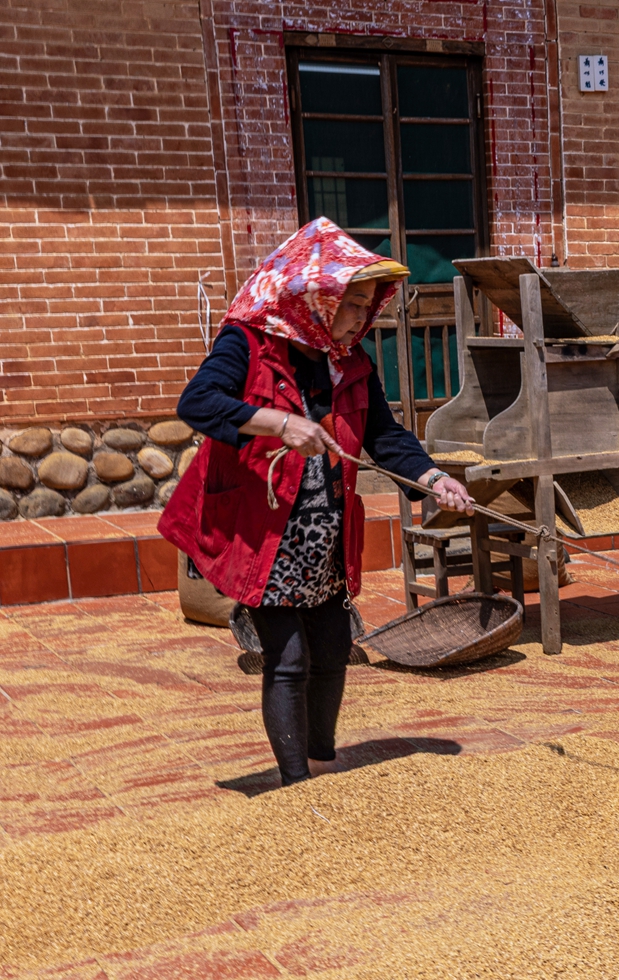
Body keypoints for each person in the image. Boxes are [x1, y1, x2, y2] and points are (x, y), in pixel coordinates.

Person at [160, 219, 474, 787]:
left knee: (334, 647)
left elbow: (384, 434)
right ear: (317, 298)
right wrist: (278, 423)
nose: (361, 316)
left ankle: (324, 759)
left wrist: (432, 477)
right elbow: (198, 403)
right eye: (351, 303)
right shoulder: (248, 343)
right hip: (266, 532)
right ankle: (294, 781)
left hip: (323, 533)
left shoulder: (347, 360)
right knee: (287, 658)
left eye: (365, 304)